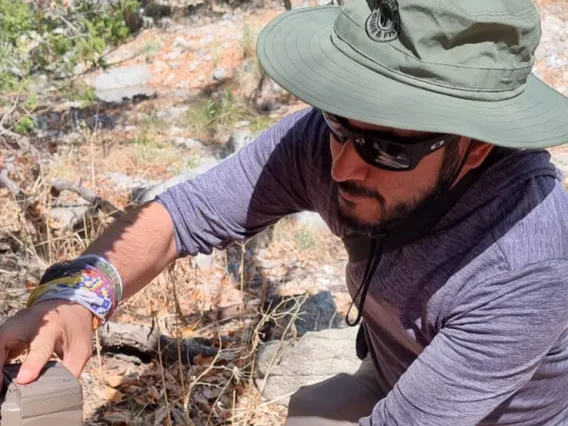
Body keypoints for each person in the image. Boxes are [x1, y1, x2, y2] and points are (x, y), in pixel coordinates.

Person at [1, 0, 568, 424]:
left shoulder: (527, 262)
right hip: (400, 372)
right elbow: (184, 214)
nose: (343, 167)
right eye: (338, 121)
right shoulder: (337, 139)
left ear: (475, 147)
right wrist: (74, 297)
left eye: (389, 148)